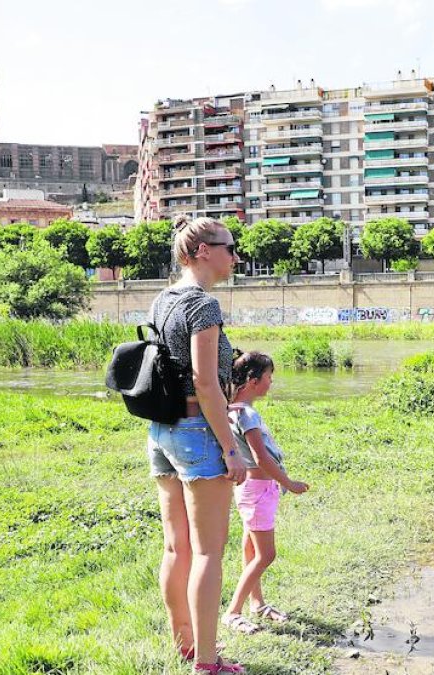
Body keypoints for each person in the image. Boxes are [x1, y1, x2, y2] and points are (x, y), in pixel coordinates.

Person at [145, 215, 247, 674]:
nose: (235, 254)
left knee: (176, 548)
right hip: (197, 430)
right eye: (229, 246)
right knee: (207, 553)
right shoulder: (204, 305)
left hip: (162, 431)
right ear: (203, 250)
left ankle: (184, 644)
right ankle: (207, 664)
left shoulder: (162, 299)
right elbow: (207, 384)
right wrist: (231, 447)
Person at [221, 350, 310, 635]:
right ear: (253, 380)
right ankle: (233, 612)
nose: (271, 382)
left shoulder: (232, 408)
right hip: (258, 490)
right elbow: (261, 458)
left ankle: (257, 604)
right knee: (266, 555)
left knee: (251, 550)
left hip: (253, 490)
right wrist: (289, 482)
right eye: (269, 377)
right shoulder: (246, 413)